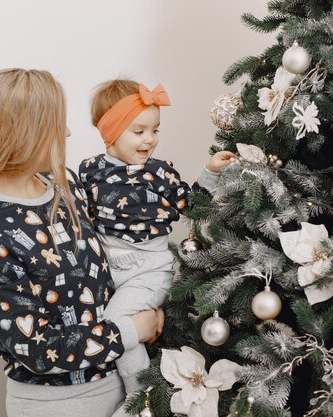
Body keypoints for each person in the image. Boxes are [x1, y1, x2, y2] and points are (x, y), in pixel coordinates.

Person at [0, 69, 161, 417]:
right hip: (58, 406)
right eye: (56, 122)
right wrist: (129, 330)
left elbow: (107, 269)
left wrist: (143, 303)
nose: (68, 131)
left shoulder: (67, 186)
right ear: (24, 132)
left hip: (123, 387)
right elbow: (36, 350)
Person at [78, 79, 234, 395]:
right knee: (94, 323)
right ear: (110, 132)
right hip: (107, 271)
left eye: (155, 130)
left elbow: (190, 204)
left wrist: (211, 171)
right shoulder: (89, 171)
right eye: (139, 131)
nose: (150, 139)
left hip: (147, 271)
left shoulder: (158, 173)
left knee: (116, 322)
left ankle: (141, 393)